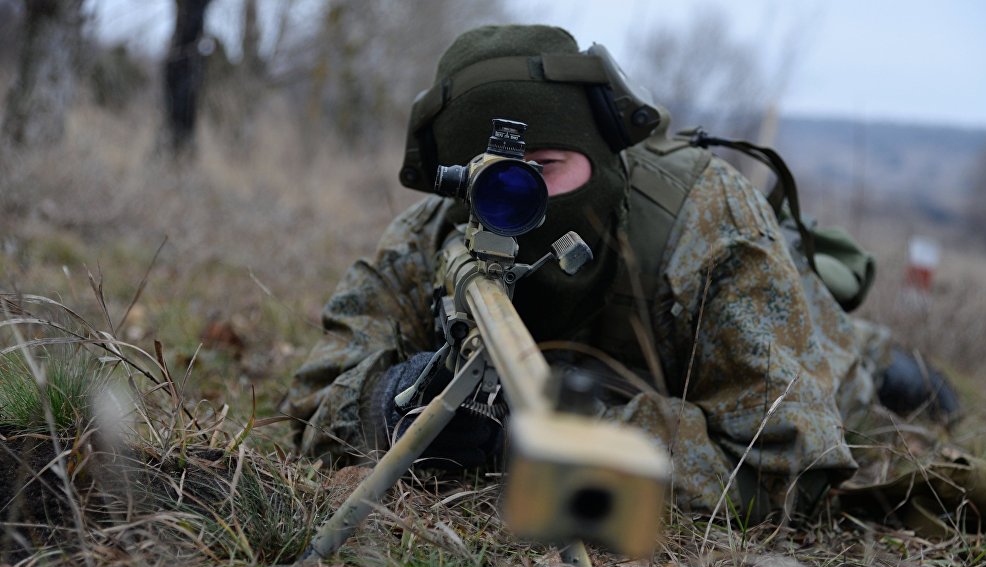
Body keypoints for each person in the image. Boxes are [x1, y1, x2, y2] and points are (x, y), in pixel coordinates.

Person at [282, 25, 929, 520]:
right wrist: (402, 402)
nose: (521, 197)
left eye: (548, 163)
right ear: (458, 181)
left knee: (857, 366)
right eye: (493, 177)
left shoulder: (708, 224)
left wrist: (560, 433)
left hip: (798, 344)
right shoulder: (432, 237)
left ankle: (890, 360)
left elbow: (792, 466)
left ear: (601, 152)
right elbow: (317, 397)